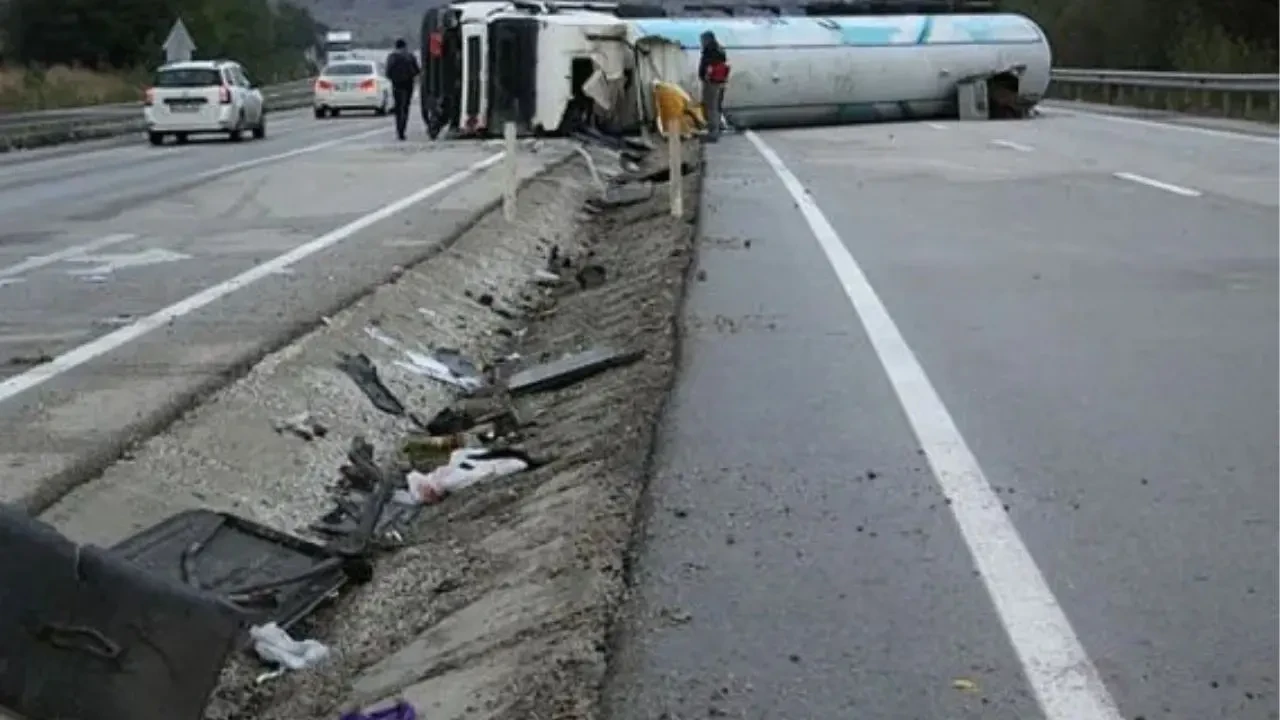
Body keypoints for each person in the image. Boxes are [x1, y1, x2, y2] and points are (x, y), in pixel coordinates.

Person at [384, 39, 421, 141]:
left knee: (398, 107)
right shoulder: (410, 56)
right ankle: (402, 129)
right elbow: (417, 70)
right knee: (405, 108)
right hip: (408, 84)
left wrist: (393, 78)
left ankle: (399, 130)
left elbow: (387, 72)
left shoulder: (392, 57)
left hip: (396, 84)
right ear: (405, 46)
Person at [697, 30, 729, 142]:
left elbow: (706, 65)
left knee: (711, 107)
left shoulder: (709, 51)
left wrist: (704, 75)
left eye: (702, 40)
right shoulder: (720, 50)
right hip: (720, 82)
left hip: (712, 82)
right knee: (717, 106)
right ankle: (719, 128)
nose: (701, 42)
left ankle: (713, 132)